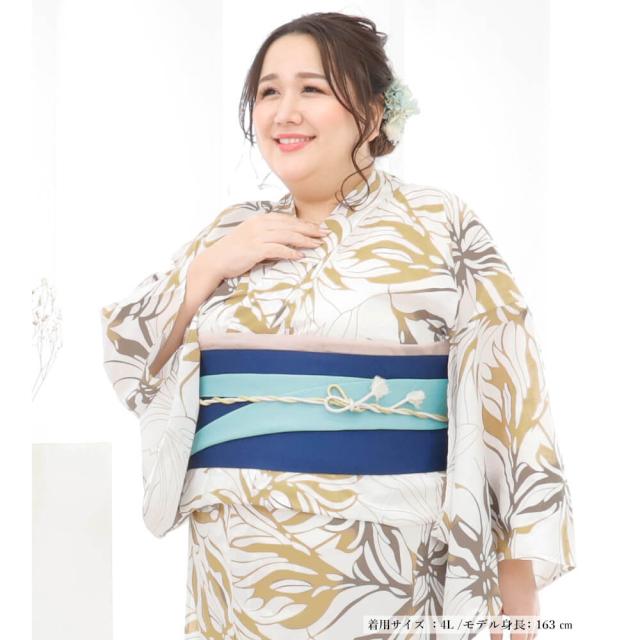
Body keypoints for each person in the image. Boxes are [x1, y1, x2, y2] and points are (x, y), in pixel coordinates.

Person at [100, 12, 576, 640]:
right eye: (269, 91)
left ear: (373, 113)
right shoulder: (231, 231)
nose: (284, 112)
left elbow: (512, 400)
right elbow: (131, 360)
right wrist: (208, 267)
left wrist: (518, 594)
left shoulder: (439, 223)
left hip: (388, 556)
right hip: (236, 563)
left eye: (312, 89)